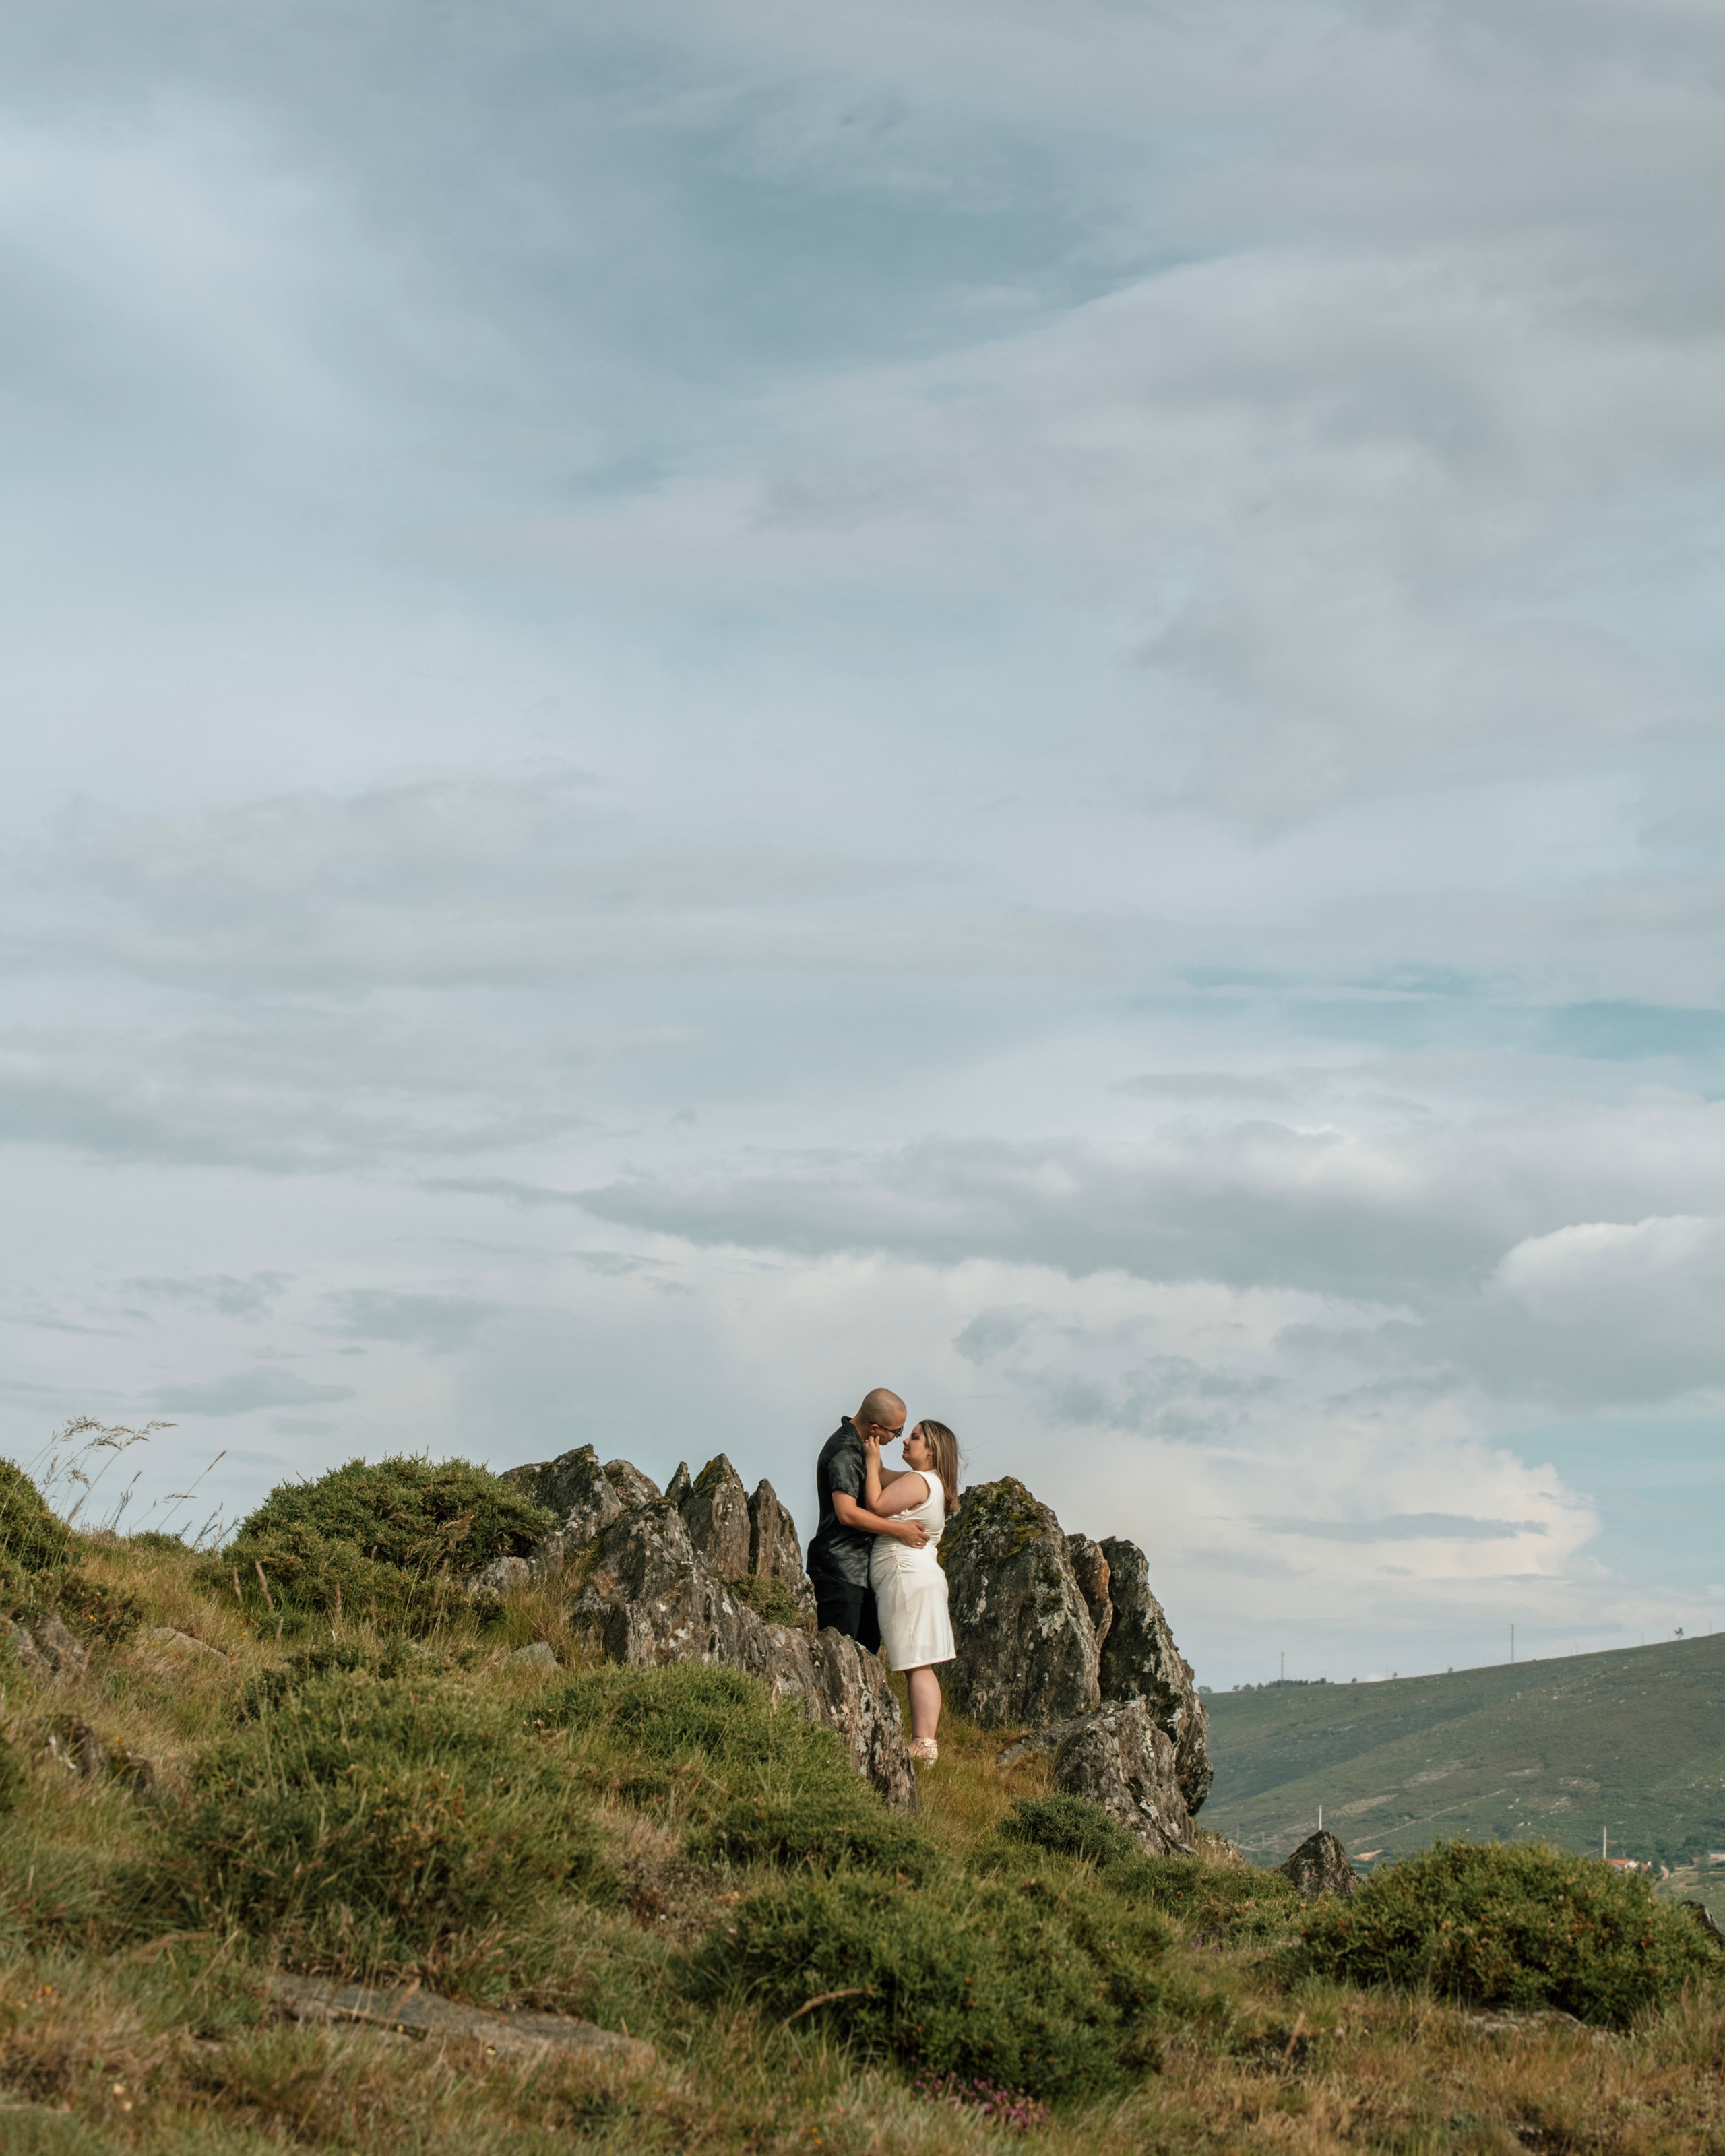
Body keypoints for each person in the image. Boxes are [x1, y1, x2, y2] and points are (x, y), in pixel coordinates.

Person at [860, 1417, 960, 1764]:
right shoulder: (926, 1481)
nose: (906, 1441)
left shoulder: (919, 1482)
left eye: (914, 1438)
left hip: (907, 1576)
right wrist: (874, 1459)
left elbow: (875, 1503)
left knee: (917, 1663)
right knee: (922, 1663)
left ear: (931, 1451)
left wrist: (873, 1464)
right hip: (920, 1576)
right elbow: (886, 1478)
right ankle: (926, 1744)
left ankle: (923, 1744)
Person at [805, 1387, 930, 1649]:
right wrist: (900, 1530)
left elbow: (879, 1474)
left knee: (867, 1650)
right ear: (875, 1428)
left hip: (860, 1571)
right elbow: (847, 1512)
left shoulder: (862, 1444)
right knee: (840, 1654)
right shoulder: (845, 1453)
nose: (899, 1437)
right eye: (895, 1432)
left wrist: (927, 1479)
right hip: (840, 1569)